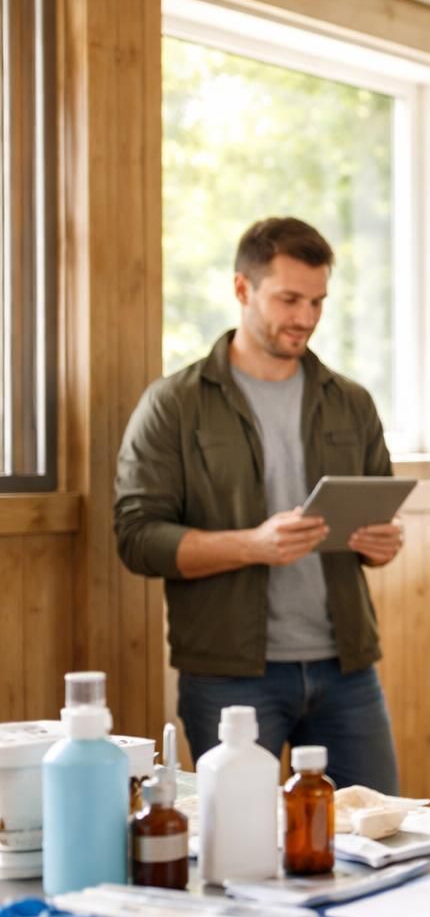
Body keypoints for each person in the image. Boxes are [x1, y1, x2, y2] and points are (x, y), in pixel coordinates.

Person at [115, 217, 403, 793]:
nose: (306, 318)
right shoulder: (173, 405)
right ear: (242, 290)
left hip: (347, 669)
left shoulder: (352, 402)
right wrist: (253, 545)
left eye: (318, 301)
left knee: (379, 835)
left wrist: (381, 546)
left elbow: (379, 523)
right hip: (228, 679)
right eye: (289, 299)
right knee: (241, 846)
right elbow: (137, 538)